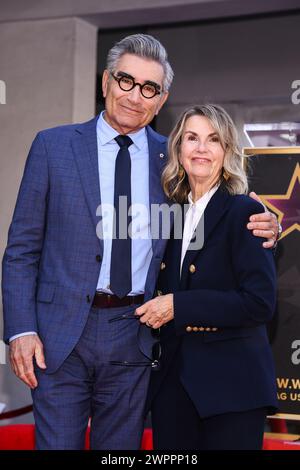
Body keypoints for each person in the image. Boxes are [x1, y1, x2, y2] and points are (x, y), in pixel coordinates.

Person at [2, 35, 278, 450]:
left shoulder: (171, 160)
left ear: (162, 98)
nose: (134, 96)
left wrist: (267, 229)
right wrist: (20, 329)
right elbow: (22, 249)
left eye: (148, 88)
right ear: (106, 82)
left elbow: (215, 227)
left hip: (135, 333)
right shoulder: (52, 146)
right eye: (125, 81)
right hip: (59, 337)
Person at [136, 104, 278, 450]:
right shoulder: (169, 213)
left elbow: (259, 303)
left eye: (213, 140)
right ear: (179, 150)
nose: (201, 148)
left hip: (232, 389)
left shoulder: (244, 210)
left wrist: (178, 306)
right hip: (173, 389)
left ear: (226, 151)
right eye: (192, 138)